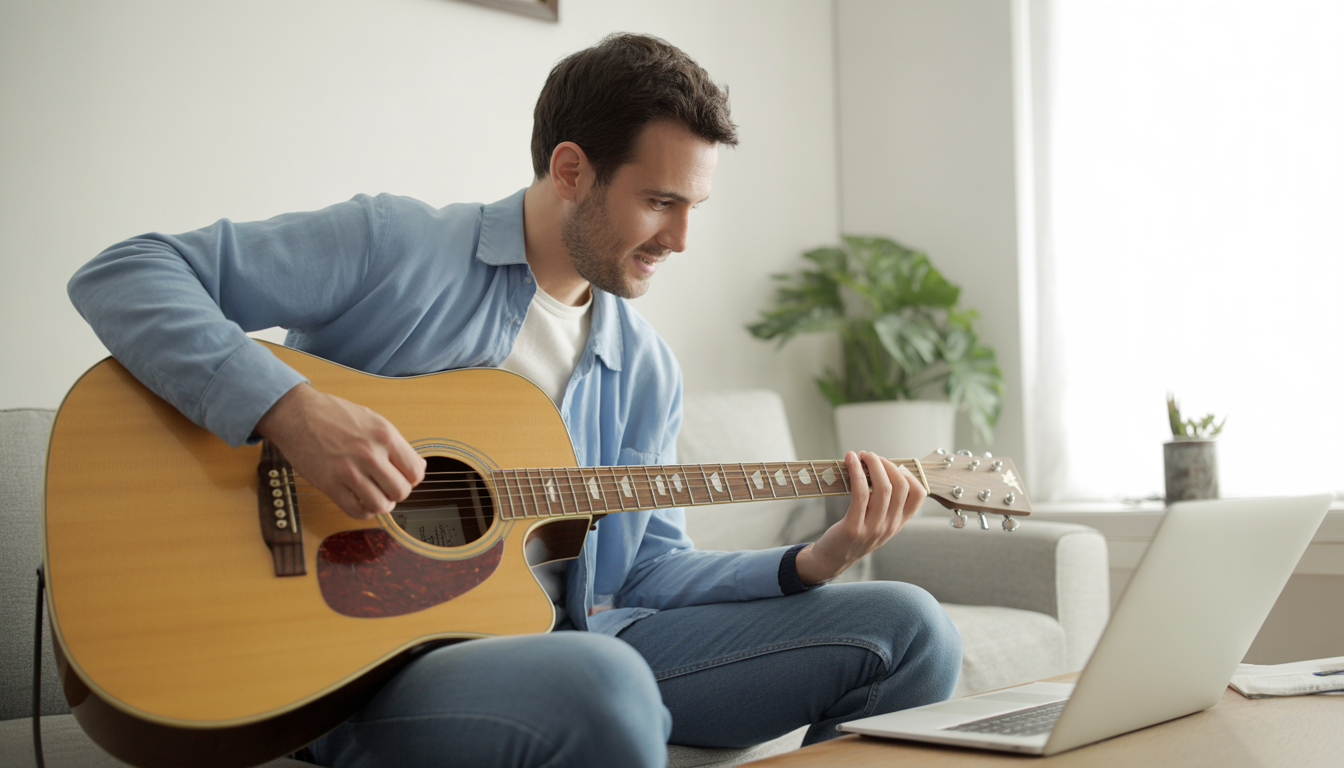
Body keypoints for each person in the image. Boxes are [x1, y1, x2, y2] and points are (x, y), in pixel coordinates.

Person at [69, 33, 961, 768]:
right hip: (372, 661)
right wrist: (291, 410)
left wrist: (815, 557)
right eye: (659, 202)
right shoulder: (397, 246)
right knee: (600, 684)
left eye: (694, 207)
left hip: (588, 636)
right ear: (571, 169)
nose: (682, 239)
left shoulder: (643, 366)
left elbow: (644, 572)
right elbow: (126, 273)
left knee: (913, 627)